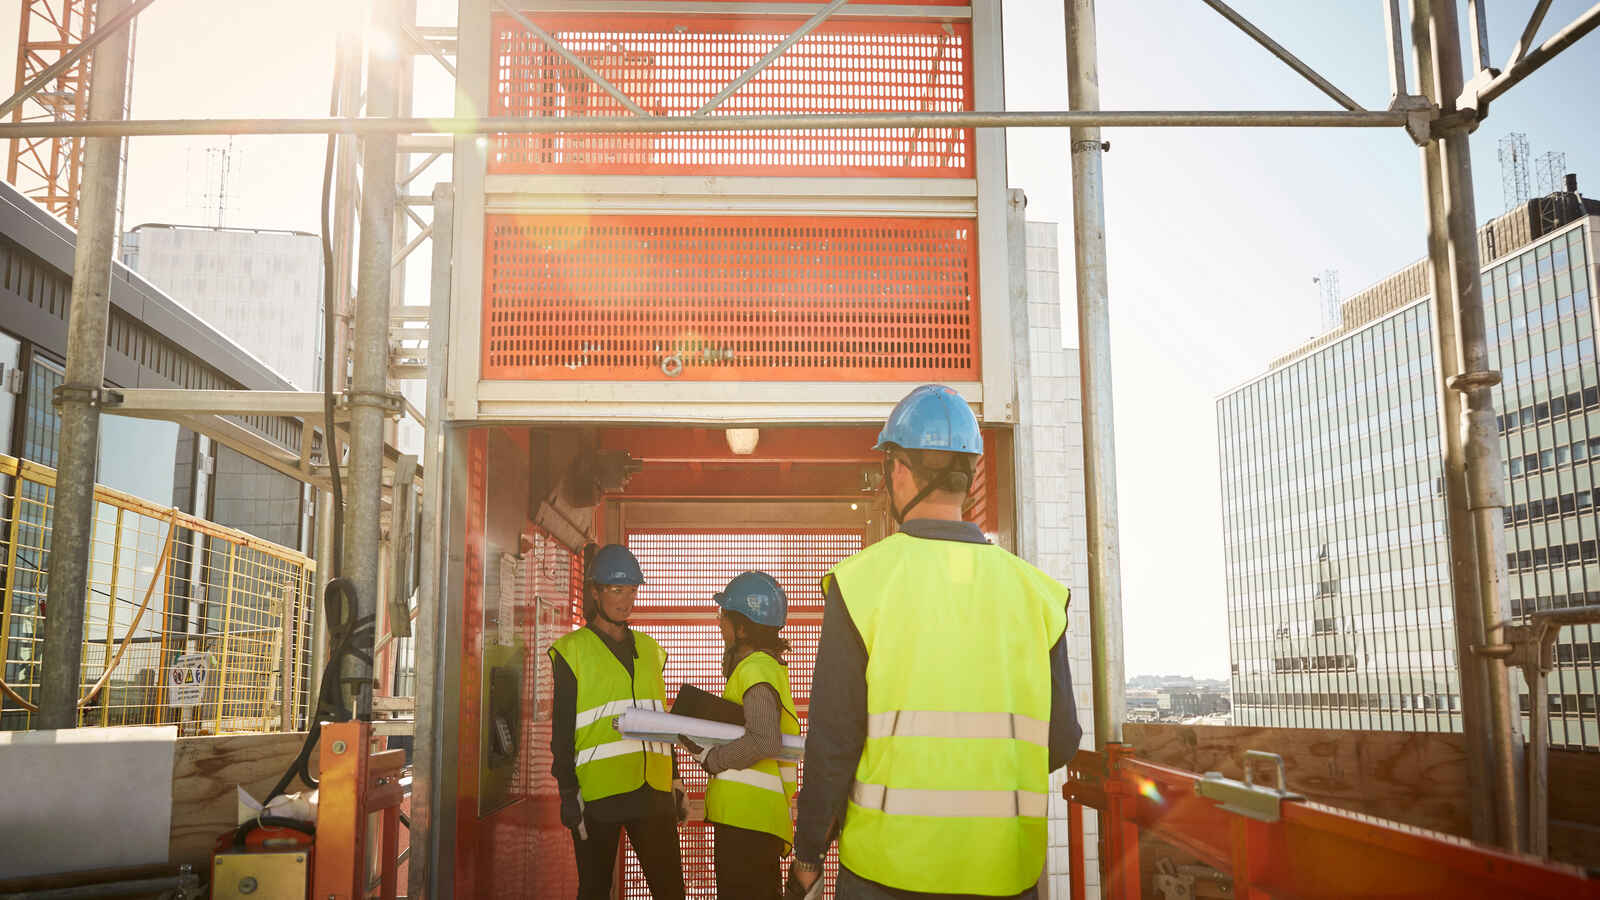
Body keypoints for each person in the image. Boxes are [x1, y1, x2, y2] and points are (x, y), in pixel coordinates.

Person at [786, 384, 1082, 900]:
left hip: (886, 874)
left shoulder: (861, 584)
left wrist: (808, 855)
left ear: (897, 471)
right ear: (967, 477)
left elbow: (833, 744)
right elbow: (1060, 741)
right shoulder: (1038, 595)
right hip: (1004, 875)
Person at [549, 543, 686, 900]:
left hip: (652, 793)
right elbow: (561, 732)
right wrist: (567, 790)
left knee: (671, 891)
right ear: (596, 591)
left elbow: (662, 721)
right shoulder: (571, 652)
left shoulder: (651, 650)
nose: (626, 600)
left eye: (631, 590)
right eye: (616, 590)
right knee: (594, 890)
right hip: (599, 795)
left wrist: (675, 778)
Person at [682, 571, 801, 900]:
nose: (720, 623)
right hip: (754, 819)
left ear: (744, 627)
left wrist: (713, 759)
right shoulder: (766, 667)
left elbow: (764, 740)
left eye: (725, 616)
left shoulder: (754, 669)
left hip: (747, 822)